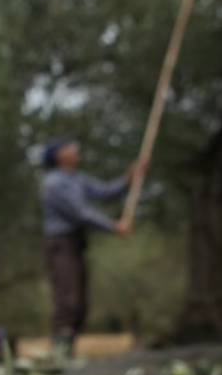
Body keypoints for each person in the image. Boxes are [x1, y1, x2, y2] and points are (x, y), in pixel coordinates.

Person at [38, 137, 143, 359]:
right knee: (68, 297)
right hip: (61, 242)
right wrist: (113, 226)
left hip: (76, 243)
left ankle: (69, 349)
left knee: (80, 299)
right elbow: (79, 212)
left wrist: (129, 178)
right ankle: (59, 350)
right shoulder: (54, 183)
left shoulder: (77, 178)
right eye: (69, 147)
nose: (75, 149)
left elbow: (105, 192)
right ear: (58, 155)